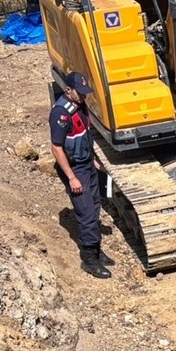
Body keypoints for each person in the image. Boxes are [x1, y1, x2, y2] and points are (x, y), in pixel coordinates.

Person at [49, 71, 111, 279]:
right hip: (75, 169)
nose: (84, 96)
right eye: (80, 92)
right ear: (68, 90)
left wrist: (91, 158)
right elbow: (57, 148)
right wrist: (72, 177)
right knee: (86, 214)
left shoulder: (79, 106)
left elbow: (83, 136)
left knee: (94, 207)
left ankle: (96, 251)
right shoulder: (61, 113)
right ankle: (89, 260)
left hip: (87, 164)